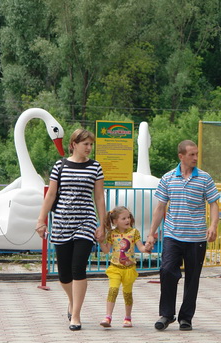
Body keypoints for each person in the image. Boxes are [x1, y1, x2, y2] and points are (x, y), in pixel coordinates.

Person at [145, 140, 220, 331]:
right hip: (172, 235)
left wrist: (213, 225)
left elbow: (213, 203)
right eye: (191, 154)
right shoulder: (168, 178)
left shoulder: (205, 178)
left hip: (196, 238)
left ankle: (186, 318)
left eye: (196, 154)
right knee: (167, 271)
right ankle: (166, 314)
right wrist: (151, 234)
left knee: (192, 278)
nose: (195, 158)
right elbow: (159, 207)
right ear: (181, 156)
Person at [36, 128, 106, 331]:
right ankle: (72, 300)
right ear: (74, 144)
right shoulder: (60, 166)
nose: (89, 148)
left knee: (78, 269)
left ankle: (76, 315)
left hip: (86, 221)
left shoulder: (95, 167)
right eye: (86, 144)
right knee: (64, 274)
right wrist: (41, 219)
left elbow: (99, 197)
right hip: (62, 222)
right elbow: (51, 194)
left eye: (91, 144)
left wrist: (102, 225)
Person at [99, 206, 148, 328]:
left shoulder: (134, 232)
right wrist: (100, 241)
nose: (127, 220)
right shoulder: (112, 234)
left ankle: (127, 317)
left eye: (129, 217)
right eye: (123, 218)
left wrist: (147, 248)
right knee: (113, 290)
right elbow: (106, 250)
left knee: (127, 293)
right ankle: (108, 317)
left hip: (129, 269)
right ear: (115, 221)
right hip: (115, 268)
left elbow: (141, 247)